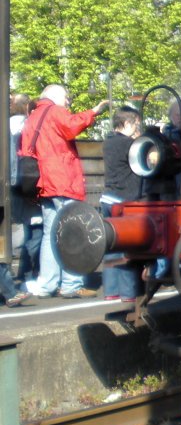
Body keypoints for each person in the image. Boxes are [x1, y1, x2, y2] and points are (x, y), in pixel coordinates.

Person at [20, 85, 109, 299]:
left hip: (44, 182)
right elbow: (71, 126)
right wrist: (94, 111)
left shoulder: (33, 117)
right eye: (66, 97)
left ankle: (47, 283)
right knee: (72, 231)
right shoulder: (55, 112)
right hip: (63, 180)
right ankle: (71, 284)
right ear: (55, 96)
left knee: (51, 234)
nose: (68, 102)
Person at [100, 107, 143, 303]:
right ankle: (128, 292)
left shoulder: (108, 142)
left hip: (108, 198)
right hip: (124, 199)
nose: (137, 130)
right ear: (126, 124)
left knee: (111, 244)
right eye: (136, 125)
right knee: (127, 245)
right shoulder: (129, 144)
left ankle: (111, 290)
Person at [10, 93, 43, 283]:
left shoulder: (7, 125)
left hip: (15, 184)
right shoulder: (28, 126)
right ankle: (30, 274)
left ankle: (25, 272)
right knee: (36, 230)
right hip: (27, 182)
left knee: (28, 229)